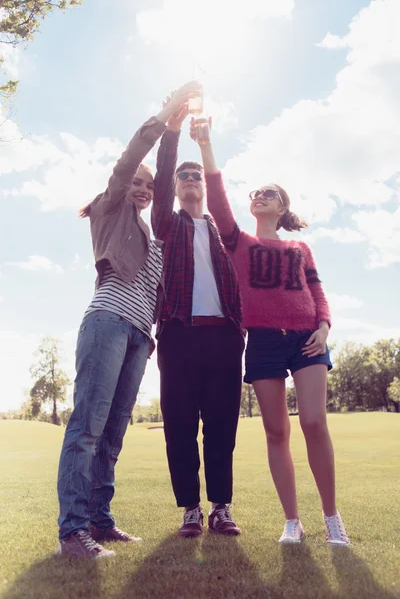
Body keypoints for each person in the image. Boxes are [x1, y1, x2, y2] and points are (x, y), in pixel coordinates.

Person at [56, 82, 200, 559]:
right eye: (136, 183)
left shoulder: (152, 230)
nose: (142, 189)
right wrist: (165, 115)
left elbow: (161, 176)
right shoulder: (111, 208)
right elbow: (134, 155)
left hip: (140, 335)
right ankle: (72, 531)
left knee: (114, 433)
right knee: (88, 428)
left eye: (148, 185)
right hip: (108, 322)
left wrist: (176, 133)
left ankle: (100, 520)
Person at [190, 117, 350, 546]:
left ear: (282, 207)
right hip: (261, 342)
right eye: (257, 193)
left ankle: (332, 517)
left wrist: (324, 326)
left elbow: (317, 291)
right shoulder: (238, 242)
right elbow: (219, 199)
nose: (261, 196)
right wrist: (206, 145)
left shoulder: (300, 248)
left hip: (306, 339)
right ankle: (292, 521)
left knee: (315, 423)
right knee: (277, 431)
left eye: (270, 193)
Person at [151, 101, 244, 538]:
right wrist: (172, 133)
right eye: (182, 178)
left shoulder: (224, 231)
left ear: (202, 185)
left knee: (222, 424)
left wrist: (243, 327)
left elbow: (218, 190)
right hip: (178, 336)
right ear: (173, 188)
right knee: (181, 423)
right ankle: (190, 508)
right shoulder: (168, 226)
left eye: (195, 177)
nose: (190, 181)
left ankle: (220, 508)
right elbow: (167, 166)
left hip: (224, 337)